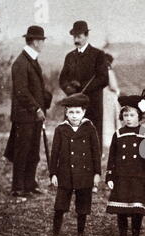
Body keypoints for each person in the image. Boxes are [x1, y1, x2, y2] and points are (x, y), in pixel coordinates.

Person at [43, 94, 101, 236]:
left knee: (82, 207)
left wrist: (97, 173)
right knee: (59, 207)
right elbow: (54, 154)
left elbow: (96, 152)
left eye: (77, 112)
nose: (74, 116)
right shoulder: (61, 129)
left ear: (83, 112)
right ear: (66, 113)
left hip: (85, 173)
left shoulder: (89, 128)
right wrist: (53, 173)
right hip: (65, 173)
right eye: (71, 112)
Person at [106, 90, 145, 236]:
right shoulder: (118, 134)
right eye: (126, 115)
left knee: (137, 209)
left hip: (139, 177)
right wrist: (110, 175)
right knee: (121, 208)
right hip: (122, 176)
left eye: (132, 115)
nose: (129, 118)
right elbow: (112, 157)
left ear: (140, 116)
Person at [4, 25, 52, 198]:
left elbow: (35, 88)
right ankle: (18, 188)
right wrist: (37, 108)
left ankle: (30, 185)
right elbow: (21, 92)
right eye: (41, 40)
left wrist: (44, 101)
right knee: (22, 152)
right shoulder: (21, 63)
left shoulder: (32, 60)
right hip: (25, 116)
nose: (43, 43)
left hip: (34, 115)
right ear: (34, 41)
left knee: (33, 151)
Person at [59, 20, 108, 151]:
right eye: (74, 37)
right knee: (73, 140)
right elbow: (62, 79)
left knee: (92, 140)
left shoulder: (98, 55)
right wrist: (69, 89)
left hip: (92, 105)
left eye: (79, 36)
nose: (76, 40)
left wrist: (83, 89)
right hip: (73, 105)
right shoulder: (69, 57)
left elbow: (103, 79)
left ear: (86, 36)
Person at [102, 53, 121, 149]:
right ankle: (110, 140)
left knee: (105, 117)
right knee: (111, 117)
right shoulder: (109, 72)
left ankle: (105, 139)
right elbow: (113, 86)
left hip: (103, 96)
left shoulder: (99, 71)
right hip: (110, 97)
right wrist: (118, 91)